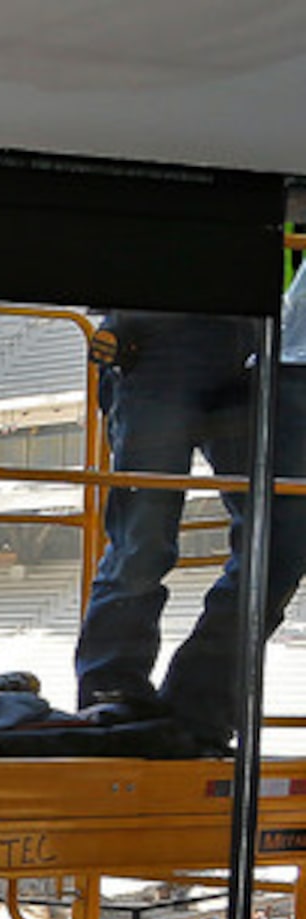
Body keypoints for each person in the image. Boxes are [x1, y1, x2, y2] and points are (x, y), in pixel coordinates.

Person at [71, 277, 306, 755]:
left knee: (276, 548)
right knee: (144, 538)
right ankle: (112, 694)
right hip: (162, 333)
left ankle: (197, 708)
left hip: (262, 344)